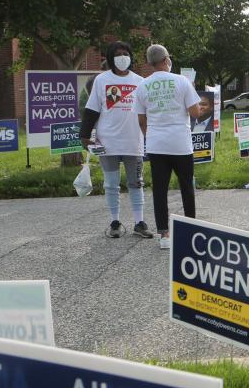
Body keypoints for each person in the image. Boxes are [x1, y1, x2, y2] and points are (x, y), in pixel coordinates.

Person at [79, 41, 152, 239]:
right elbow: (92, 109)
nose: (122, 57)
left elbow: (149, 111)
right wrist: (85, 136)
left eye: (126, 53)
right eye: (118, 54)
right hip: (108, 143)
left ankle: (139, 222)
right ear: (110, 58)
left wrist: (152, 135)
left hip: (133, 142)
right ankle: (115, 222)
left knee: (136, 183)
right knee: (111, 185)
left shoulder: (140, 81)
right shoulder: (101, 80)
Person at [135, 44, 202, 250]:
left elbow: (141, 120)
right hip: (181, 144)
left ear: (150, 63)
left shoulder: (143, 86)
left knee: (160, 190)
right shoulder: (182, 81)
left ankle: (164, 234)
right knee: (186, 188)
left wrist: (152, 135)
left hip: (157, 144)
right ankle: (191, 231)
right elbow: (195, 112)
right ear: (166, 60)